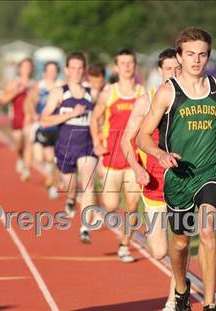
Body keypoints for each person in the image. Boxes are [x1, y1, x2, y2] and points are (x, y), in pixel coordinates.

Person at [138, 27, 216, 311]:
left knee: (207, 232)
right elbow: (144, 136)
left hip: (209, 172)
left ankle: (208, 304)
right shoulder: (168, 92)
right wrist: (160, 154)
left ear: (209, 56)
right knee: (180, 244)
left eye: (202, 54)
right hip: (179, 176)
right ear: (179, 56)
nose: (196, 60)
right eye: (190, 54)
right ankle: (181, 288)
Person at [120, 48, 181, 310]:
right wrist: (135, 168)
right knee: (159, 251)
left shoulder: (191, 99)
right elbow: (126, 139)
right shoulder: (146, 100)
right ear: (160, 71)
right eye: (169, 69)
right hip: (153, 184)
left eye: (177, 69)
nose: (174, 73)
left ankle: (174, 299)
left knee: (180, 243)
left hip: (182, 183)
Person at [90, 49, 145, 263]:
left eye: (130, 63)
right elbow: (94, 119)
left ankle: (125, 244)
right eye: (123, 63)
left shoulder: (143, 93)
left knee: (132, 205)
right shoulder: (109, 93)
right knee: (111, 205)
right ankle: (99, 209)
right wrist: (96, 143)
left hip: (134, 159)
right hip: (112, 157)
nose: (127, 66)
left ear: (135, 66)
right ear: (116, 67)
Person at [40, 51, 97, 244]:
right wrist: (70, 114)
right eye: (73, 68)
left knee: (88, 185)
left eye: (80, 68)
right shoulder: (59, 92)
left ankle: (85, 228)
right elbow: (45, 119)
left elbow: (99, 118)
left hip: (87, 147)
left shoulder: (92, 93)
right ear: (66, 70)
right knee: (71, 186)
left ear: (84, 70)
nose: (76, 72)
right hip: (65, 148)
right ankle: (71, 199)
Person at [25, 61, 63, 199]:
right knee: (39, 157)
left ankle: (52, 182)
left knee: (51, 158)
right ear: (44, 72)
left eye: (54, 70)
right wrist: (33, 114)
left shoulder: (61, 86)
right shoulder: (39, 86)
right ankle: (50, 176)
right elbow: (29, 102)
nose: (52, 73)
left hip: (56, 127)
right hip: (42, 126)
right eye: (49, 70)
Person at [0, 57, 35, 181]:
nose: (26, 69)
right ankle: (20, 158)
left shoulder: (34, 83)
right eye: (24, 67)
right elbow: (4, 99)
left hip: (29, 119)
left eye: (29, 67)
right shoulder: (14, 82)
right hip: (17, 117)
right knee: (19, 145)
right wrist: (17, 90)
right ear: (19, 68)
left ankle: (26, 169)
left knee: (28, 143)